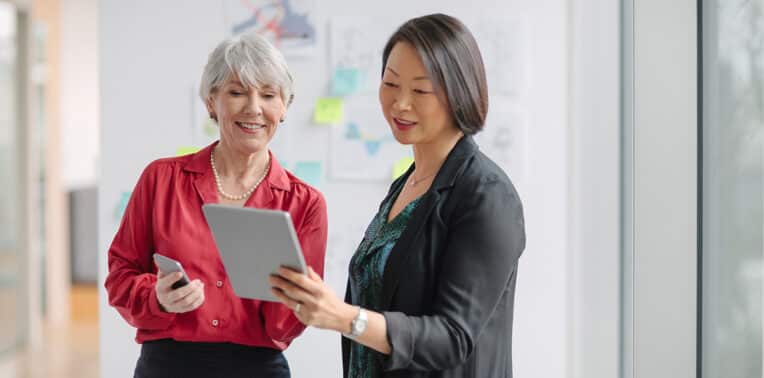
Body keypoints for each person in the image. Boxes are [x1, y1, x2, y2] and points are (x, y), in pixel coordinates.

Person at [269, 13, 526, 378]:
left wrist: (342, 317)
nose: (400, 103)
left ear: (458, 93)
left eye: (420, 90)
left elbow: (452, 337)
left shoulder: (487, 196)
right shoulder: (406, 185)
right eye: (390, 83)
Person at [104, 32, 327, 378]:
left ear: (283, 107)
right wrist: (156, 297)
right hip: (167, 366)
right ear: (211, 102)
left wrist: (299, 300)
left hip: (258, 369)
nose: (254, 108)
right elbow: (120, 277)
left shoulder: (305, 203)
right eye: (237, 92)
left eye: (268, 95)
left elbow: (288, 325)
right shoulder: (161, 179)